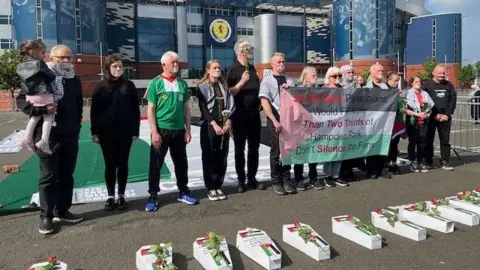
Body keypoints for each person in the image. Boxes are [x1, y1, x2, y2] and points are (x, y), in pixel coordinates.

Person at [16, 44, 83, 235]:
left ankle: (62, 210)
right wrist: (43, 110)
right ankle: (46, 216)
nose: (65, 61)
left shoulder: (74, 80)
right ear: (51, 58)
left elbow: (78, 107)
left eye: (68, 57)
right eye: (61, 57)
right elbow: (22, 101)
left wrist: (77, 128)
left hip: (70, 135)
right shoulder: (38, 74)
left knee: (66, 175)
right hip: (47, 136)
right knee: (48, 176)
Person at [145, 51, 197, 212]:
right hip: (161, 130)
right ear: (163, 65)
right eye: (172, 62)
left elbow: (187, 109)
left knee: (181, 163)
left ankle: (183, 191)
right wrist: (154, 132)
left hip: (179, 131)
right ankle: (153, 195)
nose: (176, 65)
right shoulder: (155, 83)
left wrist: (188, 129)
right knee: (156, 165)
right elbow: (150, 109)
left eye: (177, 62)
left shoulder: (182, 84)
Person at [90, 55, 140, 211]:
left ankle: (122, 196)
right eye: (114, 67)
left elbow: (135, 110)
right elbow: (94, 111)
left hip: (125, 132)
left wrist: (135, 130)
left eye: (120, 67)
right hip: (106, 133)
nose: (118, 70)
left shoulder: (129, 85)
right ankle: (111, 196)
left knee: (123, 164)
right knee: (110, 165)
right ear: (107, 68)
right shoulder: (99, 86)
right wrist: (94, 131)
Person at [226, 39, 265, 193]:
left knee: (254, 148)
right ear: (240, 51)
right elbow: (228, 92)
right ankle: (241, 180)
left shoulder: (253, 69)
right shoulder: (232, 70)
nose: (250, 52)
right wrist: (241, 83)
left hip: (254, 114)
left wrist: (260, 100)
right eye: (247, 49)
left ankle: (252, 178)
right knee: (239, 149)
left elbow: (257, 88)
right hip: (239, 115)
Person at [259, 52, 297, 195]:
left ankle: (287, 178)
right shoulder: (267, 81)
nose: (282, 64)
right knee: (276, 150)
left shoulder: (290, 80)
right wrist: (274, 120)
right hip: (276, 117)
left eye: (283, 61)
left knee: (288, 150)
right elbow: (264, 101)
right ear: (272, 64)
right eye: (279, 62)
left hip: (289, 119)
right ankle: (276, 180)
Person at [196, 59, 234, 201]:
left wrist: (228, 121)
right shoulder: (202, 87)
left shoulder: (224, 86)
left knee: (222, 156)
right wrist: (214, 125)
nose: (218, 70)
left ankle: (219, 185)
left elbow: (230, 105)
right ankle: (210, 187)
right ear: (208, 70)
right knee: (209, 156)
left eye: (219, 67)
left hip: (224, 124)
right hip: (209, 126)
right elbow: (203, 108)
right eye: (214, 67)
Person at [16, 40, 62, 154]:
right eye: (42, 53)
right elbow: (50, 76)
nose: (44, 55)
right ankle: (44, 141)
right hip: (42, 93)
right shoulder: (40, 63)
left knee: (35, 117)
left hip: (30, 95)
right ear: (35, 52)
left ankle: (26, 139)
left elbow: (20, 80)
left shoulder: (21, 65)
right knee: (49, 116)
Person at [423, 65, 457, 171]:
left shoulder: (449, 85)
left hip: (445, 117)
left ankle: (445, 161)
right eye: (439, 73)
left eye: (443, 73)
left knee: (445, 140)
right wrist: (434, 114)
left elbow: (453, 99)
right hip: (431, 117)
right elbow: (423, 101)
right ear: (434, 73)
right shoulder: (427, 85)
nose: (442, 75)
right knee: (428, 140)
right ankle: (428, 161)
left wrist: (447, 114)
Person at [321, 67, 350, 187]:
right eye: (334, 76)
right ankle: (327, 175)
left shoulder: (343, 90)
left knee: (339, 149)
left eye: (339, 76)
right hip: (329, 126)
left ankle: (336, 175)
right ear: (328, 77)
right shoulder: (323, 90)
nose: (337, 78)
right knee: (329, 149)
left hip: (341, 125)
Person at [293, 66, 319, 191]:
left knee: (313, 152)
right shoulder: (298, 91)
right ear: (305, 77)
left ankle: (313, 177)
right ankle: (298, 179)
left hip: (314, 126)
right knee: (301, 153)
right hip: (301, 127)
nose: (316, 76)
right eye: (313, 75)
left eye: (316, 74)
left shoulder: (319, 91)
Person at [338, 64, 365, 182]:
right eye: (348, 73)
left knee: (352, 147)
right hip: (343, 120)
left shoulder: (357, 86)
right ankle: (342, 172)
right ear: (343, 74)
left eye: (352, 72)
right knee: (343, 147)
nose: (351, 75)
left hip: (355, 120)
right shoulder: (339, 86)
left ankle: (350, 171)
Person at [364, 63, 390, 179]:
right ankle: (371, 170)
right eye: (379, 71)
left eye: (382, 71)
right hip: (371, 122)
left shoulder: (386, 87)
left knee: (383, 145)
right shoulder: (366, 88)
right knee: (372, 145)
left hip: (384, 122)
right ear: (372, 72)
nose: (382, 73)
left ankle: (382, 168)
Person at [404, 76, 434, 172]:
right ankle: (412, 162)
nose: (419, 83)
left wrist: (428, 114)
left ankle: (420, 161)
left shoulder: (425, 93)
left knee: (422, 142)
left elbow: (430, 107)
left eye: (420, 81)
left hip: (424, 121)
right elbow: (405, 109)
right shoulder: (408, 93)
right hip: (413, 121)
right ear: (412, 83)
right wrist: (417, 114)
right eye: (416, 81)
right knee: (413, 142)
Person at [385, 72, 405, 175]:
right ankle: (386, 163)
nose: (397, 83)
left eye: (398, 81)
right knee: (388, 144)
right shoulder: (385, 90)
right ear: (389, 80)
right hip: (386, 123)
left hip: (396, 121)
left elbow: (401, 105)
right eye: (395, 81)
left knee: (394, 144)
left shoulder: (397, 91)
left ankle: (393, 162)